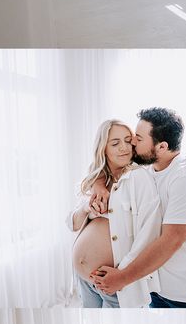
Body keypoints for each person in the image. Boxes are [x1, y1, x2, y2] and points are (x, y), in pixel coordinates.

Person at [90, 108, 186, 308]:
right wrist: (98, 185)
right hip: (156, 285)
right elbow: (108, 163)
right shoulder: (148, 165)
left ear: (161, 147)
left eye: (139, 139)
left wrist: (123, 278)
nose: (132, 142)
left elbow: (171, 240)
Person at [67, 119, 162, 307]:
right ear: (103, 148)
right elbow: (72, 224)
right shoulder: (96, 181)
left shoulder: (139, 178)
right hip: (85, 281)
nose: (124, 148)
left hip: (114, 284)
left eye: (128, 141)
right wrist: (87, 207)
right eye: (115, 143)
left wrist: (122, 275)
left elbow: (148, 234)